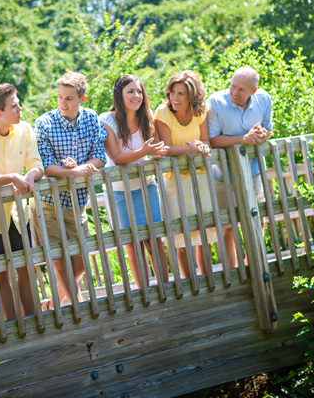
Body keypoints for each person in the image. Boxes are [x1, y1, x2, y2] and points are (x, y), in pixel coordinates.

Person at [31, 72, 107, 308]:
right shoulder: (44, 123)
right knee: (59, 262)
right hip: (48, 204)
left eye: (69, 98)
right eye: (60, 97)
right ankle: (80, 310)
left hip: (77, 203)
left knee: (82, 263)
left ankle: (53, 304)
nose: (63, 103)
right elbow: (46, 166)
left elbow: (99, 157)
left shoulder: (92, 119)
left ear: (82, 99)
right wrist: (71, 172)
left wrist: (82, 167)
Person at [0, 83, 44, 323]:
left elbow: (36, 162)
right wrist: (13, 178)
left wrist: (32, 175)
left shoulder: (25, 129)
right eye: (14, 106)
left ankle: (33, 320)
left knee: (26, 268)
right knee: (0, 274)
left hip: (20, 214)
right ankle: (12, 325)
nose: (20, 109)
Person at [100, 74, 170, 290]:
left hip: (146, 185)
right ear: (119, 94)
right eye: (130, 91)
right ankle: (144, 293)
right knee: (132, 243)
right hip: (119, 192)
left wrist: (157, 153)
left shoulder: (146, 116)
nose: (136, 95)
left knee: (154, 239)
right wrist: (145, 151)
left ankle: (165, 289)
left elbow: (157, 147)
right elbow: (117, 157)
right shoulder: (106, 119)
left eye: (139, 91)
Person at [207, 66, 273, 269]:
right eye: (232, 86)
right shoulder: (215, 102)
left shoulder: (264, 99)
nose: (234, 92)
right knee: (228, 225)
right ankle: (233, 269)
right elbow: (213, 140)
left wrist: (262, 136)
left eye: (241, 90)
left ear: (253, 91)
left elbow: (268, 130)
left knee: (257, 219)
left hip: (252, 171)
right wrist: (244, 139)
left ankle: (254, 263)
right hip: (222, 175)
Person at [154, 70, 214, 279]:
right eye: (172, 92)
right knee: (182, 237)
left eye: (181, 94)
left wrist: (199, 145)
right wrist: (191, 150)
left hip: (201, 176)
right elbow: (165, 147)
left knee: (204, 233)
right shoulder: (163, 112)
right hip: (174, 179)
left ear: (192, 96)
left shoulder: (201, 111)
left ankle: (208, 278)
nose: (175, 98)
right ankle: (190, 281)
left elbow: (206, 141)